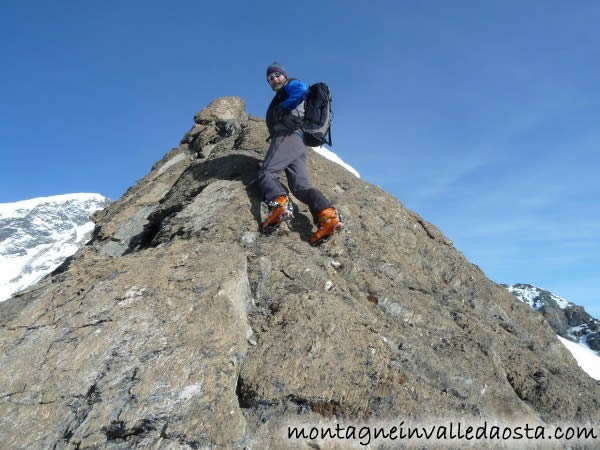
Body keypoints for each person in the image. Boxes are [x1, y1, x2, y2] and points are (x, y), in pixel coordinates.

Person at [258, 62, 344, 245]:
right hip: (298, 143)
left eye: (277, 75)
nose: (274, 79)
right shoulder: (283, 92)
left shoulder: (291, 85)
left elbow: (301, 89)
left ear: (284, 75)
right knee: (300, 187)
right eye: (270, 78)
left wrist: (283, 108)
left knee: (267, 173)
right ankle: (327, 217)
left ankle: (278, 206)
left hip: (288, 136)